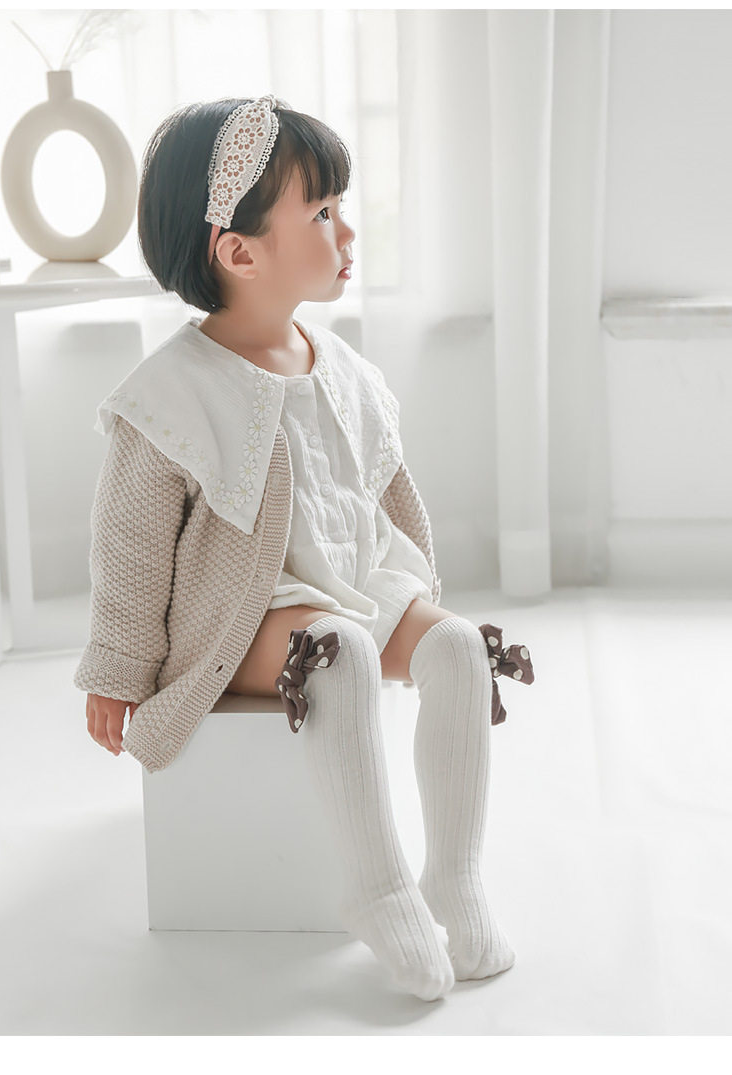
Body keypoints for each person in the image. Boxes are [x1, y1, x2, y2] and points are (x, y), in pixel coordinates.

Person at [73, 94, 534, 1003]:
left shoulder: (344, 367)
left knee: (454, 647)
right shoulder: (170, 396)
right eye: (322, 213)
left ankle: (456, 874)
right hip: (250, 609)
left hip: (352, 579)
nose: (347, 232)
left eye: (340, 207)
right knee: (339, 654)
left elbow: (387, 489)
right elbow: (129, 543)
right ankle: (378, 885)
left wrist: (421, 595)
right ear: (240, 253)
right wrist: (117, 667)